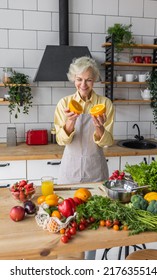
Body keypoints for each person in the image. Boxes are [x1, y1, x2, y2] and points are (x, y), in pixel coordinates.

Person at [54, 56, 115, 259]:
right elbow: (61, 141)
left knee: (93, 223)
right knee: (68, 222)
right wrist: (70, 124)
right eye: (79, 79)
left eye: (88, 79)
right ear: (73, 79)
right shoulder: (64, 104)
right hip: (69, 171)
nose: (83, 84)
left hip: (95, 170)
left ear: (94, 80)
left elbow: (107, 142)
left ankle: (90, 265)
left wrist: (99, 127)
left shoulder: (105, 104)